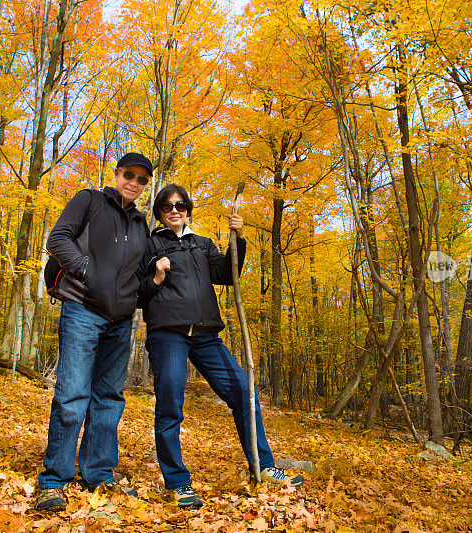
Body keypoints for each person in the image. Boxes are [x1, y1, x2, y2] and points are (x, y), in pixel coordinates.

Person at [138, 183, 304, 509]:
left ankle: (262, 467)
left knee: (244, 390)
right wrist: (156, 277)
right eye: (168, 205)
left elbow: (227, 274)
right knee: (170, 404)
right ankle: (178, 484)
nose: (175, 209)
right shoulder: (150, 244)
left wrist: (237, 241)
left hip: (206, 336)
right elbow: (138, 293)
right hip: (167, 335)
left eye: (181, 204)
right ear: (159, 211)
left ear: (187, 208)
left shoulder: (202, 244)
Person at [34, 152, 153, 512]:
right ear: (116, 174)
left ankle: (98, 473)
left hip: (121, 321)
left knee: (110, 398)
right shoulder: (89, 200)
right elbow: (58, 238)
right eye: (128, 175)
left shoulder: (141, 224)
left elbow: (140, 271)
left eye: (142, 179)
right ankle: (54, 479)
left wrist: (152, 281)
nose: (133, 182)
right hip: (82, 310)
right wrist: (85, 268)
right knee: (72, 394)